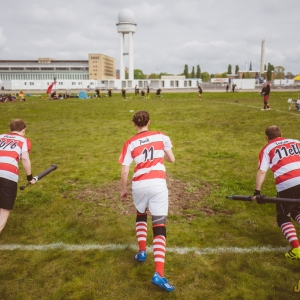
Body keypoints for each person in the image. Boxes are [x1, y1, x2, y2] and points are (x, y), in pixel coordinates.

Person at [119, 110, 175, 292]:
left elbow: (125, 170)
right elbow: (172, 159)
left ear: (134, 124)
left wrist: (123, 189)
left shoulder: (129, 142)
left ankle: (142, 252)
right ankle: (159, 273)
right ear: (149, 122)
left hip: (139, 185)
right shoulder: (161, 136)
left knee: (141, 214)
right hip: (157, 184)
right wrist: (162, 154)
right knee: (159, 225)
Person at [253, 125, 300, 259]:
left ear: (267, 138)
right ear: (281, 134)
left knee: (283, 216)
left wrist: (257, 192)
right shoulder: (296, 142)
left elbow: (262, 171)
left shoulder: (266, 149)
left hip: (287, 184)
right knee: (297, 210)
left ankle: (297, 249)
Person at [0, 119, 36, 234]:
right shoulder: (24, 140)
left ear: (10, 130)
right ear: (24, 130)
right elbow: (25, 158)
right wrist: (29, 177)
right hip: (8, 175)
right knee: (5, 208)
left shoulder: (1, 136)